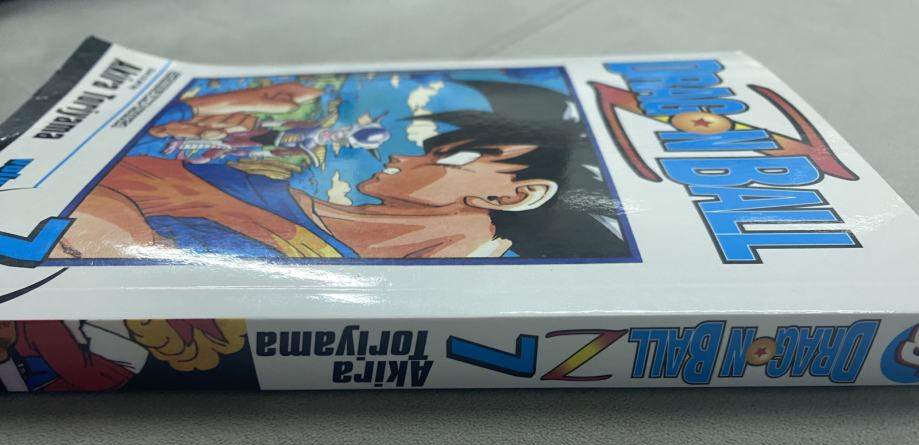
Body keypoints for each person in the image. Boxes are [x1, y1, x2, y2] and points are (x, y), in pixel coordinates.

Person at [52, 79, 629, 261]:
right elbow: (76, 184)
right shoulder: (247, 187)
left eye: (448, 156)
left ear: (513, 196)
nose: (404, 156)